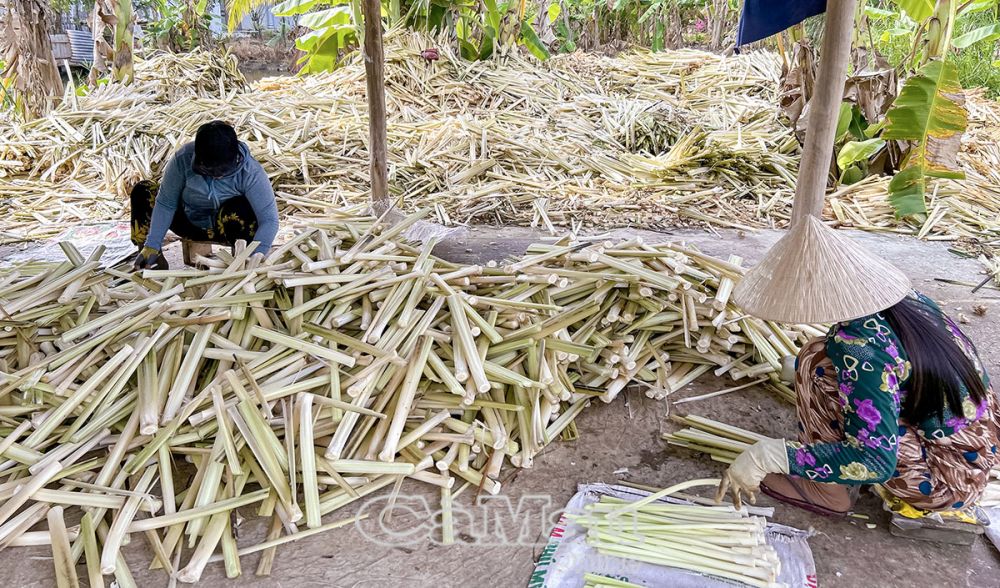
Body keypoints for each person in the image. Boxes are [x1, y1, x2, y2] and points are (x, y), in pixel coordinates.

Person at [719, 217, 999, 516]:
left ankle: (826, 492)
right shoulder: (912, 302)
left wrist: (770, 456)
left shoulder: (858, 348)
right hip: (979, 448)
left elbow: (875, 462)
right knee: (820, 357)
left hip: (945, 482)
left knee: (815, 362)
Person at [130, 121, 279, 270]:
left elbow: (269, 219)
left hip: (225, 229)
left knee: (240, 209)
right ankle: (151, 259)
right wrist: (153, 242)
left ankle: (240, 263)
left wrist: (256, 256)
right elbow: (166, 203)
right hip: (189, 223)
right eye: (209, 171)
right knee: (144, 191)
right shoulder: (183, 159)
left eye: (223, 172)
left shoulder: (250, 171)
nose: (217, 177)